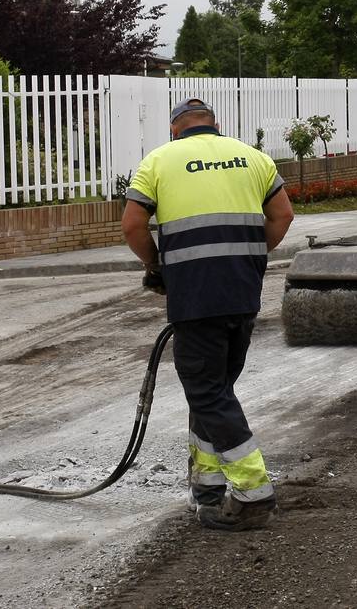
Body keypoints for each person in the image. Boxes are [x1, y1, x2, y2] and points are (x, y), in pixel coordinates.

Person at [121, 98, 294, 532]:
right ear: (215, 126)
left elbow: (132, 226)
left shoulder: (158, 161)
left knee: (207, 393)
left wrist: (156, 267)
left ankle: (254, 493)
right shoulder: (253, 158)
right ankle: (208, 489)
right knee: (216, 391)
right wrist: (247, 258)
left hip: (196, 298)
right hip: (242, 292)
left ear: (175, 128)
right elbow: (283, 215)